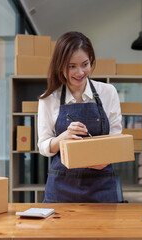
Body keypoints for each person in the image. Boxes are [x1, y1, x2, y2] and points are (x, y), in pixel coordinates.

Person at [37, 31, 122, 203]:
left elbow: (117, 139)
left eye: (85, 64)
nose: (80, 72)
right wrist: (62, 138)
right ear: (60, 66)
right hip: (61, 186)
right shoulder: (48, 99)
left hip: (101, 184)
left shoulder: (108, 92)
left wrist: (105, 160)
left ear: (91, 60)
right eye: (72, 66)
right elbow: (43, 146)